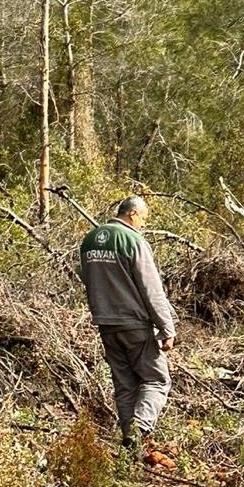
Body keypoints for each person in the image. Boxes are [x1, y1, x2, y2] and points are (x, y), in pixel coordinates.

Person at [79, 195, 177, 464]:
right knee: (157, 379)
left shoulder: (89, 240)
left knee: (125, 385)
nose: (144, 223)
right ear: (133, 214)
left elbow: (86, 278)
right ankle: (139, 429)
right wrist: (166, 328)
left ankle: (129, 450)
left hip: (106, 323)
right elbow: (151, 289)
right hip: (135, 324)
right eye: (144, 218)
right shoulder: (133, 241)